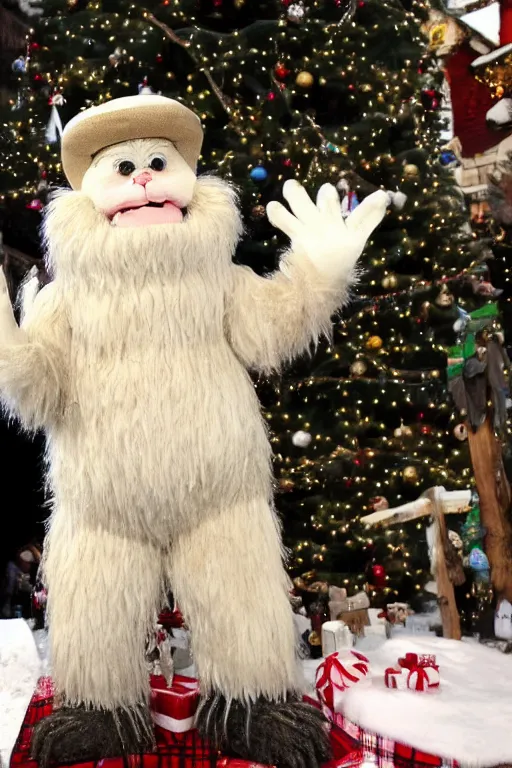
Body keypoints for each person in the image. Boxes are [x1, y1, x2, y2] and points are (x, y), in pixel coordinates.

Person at [1, 549, 36, 619]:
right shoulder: (13, 569)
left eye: (30, 564)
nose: (29, 566)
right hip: (8, 601)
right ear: (22, 562)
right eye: (28, 563)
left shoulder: (23, 573)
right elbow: (13, 586)